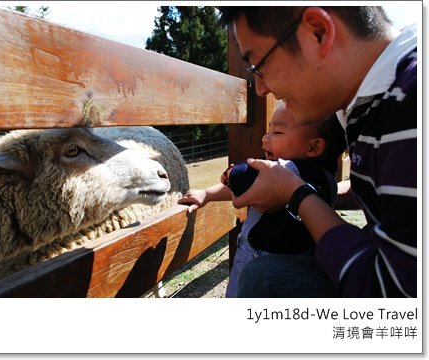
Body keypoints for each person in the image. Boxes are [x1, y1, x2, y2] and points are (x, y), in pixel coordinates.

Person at [218, 6, 417, 297]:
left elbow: (394, 297)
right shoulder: (367, 102)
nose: (260, 89)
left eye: (260, 66)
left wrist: (298, 195)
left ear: (318, 33)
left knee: (264, 278)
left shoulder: (411, 107)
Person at [178, 106, 346, 297]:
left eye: (277, 132)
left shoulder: (291, 170)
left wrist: (231, 174)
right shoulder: (327, 179)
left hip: (265, 277)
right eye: (268, 130)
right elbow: (254, 185)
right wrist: (207, 194)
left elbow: (243, 178)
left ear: (313, 147)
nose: (265, 138)